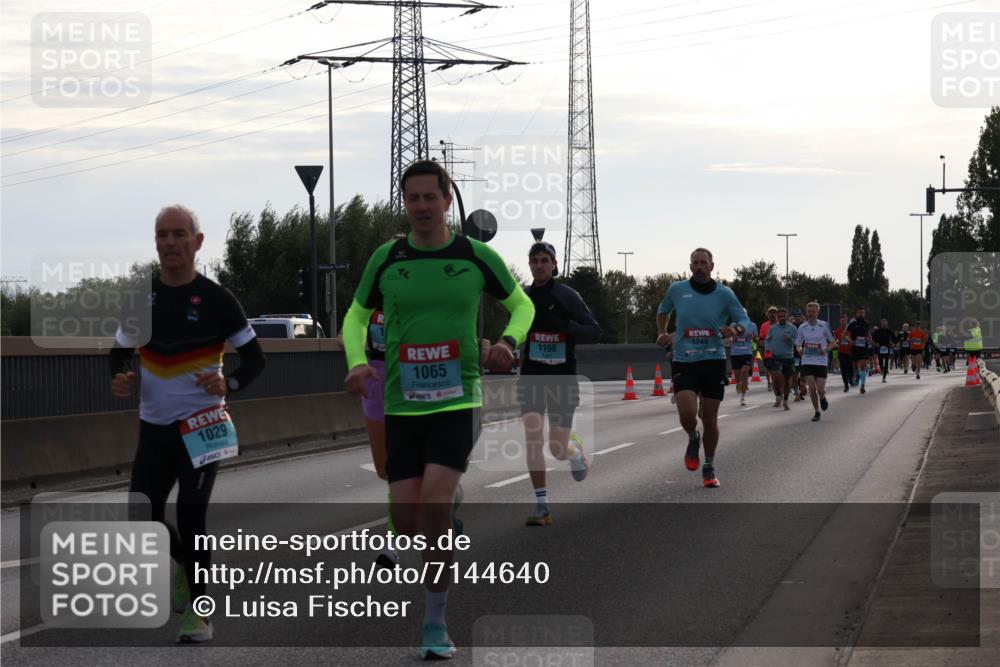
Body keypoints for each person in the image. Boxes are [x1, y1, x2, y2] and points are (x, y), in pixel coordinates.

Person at [341, 160, 534, 660]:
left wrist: (510, 342)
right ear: (405, 204)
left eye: (431, 197)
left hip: (460, 398)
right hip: (403, 405)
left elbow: (522, 306)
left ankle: (435, 622)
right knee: (407, 519)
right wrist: (358, 362)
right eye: (413, 199)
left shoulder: (476, 255)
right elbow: (356, 316)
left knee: (432, 504)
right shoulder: (388, 258)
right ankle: (448, 501)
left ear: (448, 200)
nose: (422, 207)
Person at [110, 204, 266, 643]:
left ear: (197, 242)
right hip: (156, 427)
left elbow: (256, 359)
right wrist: (119, 375)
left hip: (203, 424)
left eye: (179, 234)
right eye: (162, 235)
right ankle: (183, 564)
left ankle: (199, 613)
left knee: (192, 516)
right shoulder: (141, 300)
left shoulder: (218, 299)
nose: (170, 243)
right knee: (143, 515)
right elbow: (118, 351)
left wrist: (228, 382)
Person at [518, 241, 601, 526]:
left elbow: (594, 331)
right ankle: (541, 505)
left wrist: (566, 327)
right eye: (534, 260)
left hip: (562, 378)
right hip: (531, 376)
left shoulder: (568, 296)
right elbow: (514, 330)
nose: (539, 265)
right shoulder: (523, 296)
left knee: (556, 448)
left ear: (554, 265)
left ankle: (574, 451)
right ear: (530, 265)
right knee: (532, 439)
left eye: (544, 260)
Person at [655, 248, 750, 489]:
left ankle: (709, 465)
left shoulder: (724, 294)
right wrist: (662, 332)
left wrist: (735, 330)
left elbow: (744, 320)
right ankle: (692, 437)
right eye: (695, 263)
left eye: (703, 263)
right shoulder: (677, 290)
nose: (699, 267)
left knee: (709, 417)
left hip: (713, 359)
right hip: (684, 359)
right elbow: (662, 311)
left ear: (711, 266)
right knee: (687, 414)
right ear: (690, 267)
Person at [795, 302, 835, 421]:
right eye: (809, 311)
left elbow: (833, 342)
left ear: (817, 312)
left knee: (820, 390)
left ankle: (822, 397)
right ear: (806, 313)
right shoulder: (802, 327)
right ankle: (817, 411)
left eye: (813, 311)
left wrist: (826, 349)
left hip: (821, 361)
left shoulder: (824, 325)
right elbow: (797, 344)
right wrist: (800, 350)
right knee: (812, 389)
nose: (811, 313)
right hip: (807, 361)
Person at [764, 307, 797, 410]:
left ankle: (785, 400)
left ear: (787, 316)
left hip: (788, 357)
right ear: (777, 317)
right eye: (780, 316)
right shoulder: (773, 328)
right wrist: (767, 348)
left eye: (783, 316)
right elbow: (767, 340)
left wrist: (790, 340)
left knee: (787, 381)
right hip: (776, 357)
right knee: (776, 376)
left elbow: (797, 342)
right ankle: (778, 395)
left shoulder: (792, 328)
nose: (782, 318)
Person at [730, 313, 758, 406]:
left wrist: (753, 337)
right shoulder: (733, 325)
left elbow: (756, 338)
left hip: (747, 353)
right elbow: (727, 339)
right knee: (738, 378)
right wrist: (731, 339)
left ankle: (742, 397)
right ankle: (739, 383)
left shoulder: (752, 325)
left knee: (745, 373)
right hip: (735, 353)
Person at [846, 306, 874, 394]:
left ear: (864, 314)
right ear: (856, 313)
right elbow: (846, 335)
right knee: (855, 367)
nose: (861, 314)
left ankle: (862, 385)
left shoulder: (866, 323)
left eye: (862, 313)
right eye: (859, 313)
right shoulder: (853, 324)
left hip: (864, 347)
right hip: (855, 347)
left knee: (863, 366)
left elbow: (868, 334)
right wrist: (850, 341)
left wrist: (871, 341)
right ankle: (857, 375)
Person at [833, 314, 854, 392]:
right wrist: (837, 343)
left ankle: (851, 378)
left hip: (850, 352)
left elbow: (853, 340)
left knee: (850, 368)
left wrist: (850, 341)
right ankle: (846, 385)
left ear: (846, 321)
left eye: (844, 320)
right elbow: (835, 341)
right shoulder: (837, 331)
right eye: (841, 321)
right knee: (843, 369)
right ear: (840, 321)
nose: (843, 322)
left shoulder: (850, 330)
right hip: (841, 352)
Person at [759, 307, 778, 391]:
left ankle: (777, 382)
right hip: (768, 351)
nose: (772, 314)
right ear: (768, 314)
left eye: (774, 312)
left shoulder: (780, 325)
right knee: (769, 368)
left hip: (779, 351)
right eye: (771, 312)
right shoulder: (764, 325)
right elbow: (761, 338)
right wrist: (761, 342)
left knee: (778, 369)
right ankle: (769, 382)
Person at [872, 318, 895, 383]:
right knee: (881, 362)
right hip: (880, 348)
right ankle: (882, 369)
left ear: (887, 324)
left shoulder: (889, 331)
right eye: (883, 323)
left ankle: (884, 377)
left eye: (885, 323)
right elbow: (872, 338)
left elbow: (894, 337)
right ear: (881, 324)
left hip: (887, 348)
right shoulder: (878, 331)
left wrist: (893, 343)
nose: (884, 324)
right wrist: (876, 343)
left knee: (886, 362)